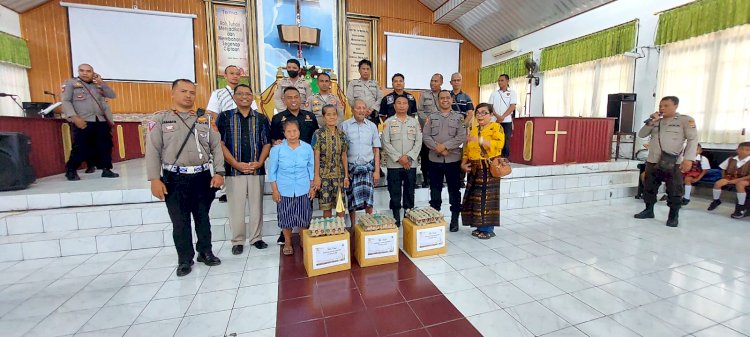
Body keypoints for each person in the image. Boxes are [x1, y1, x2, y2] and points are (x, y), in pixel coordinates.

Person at [146, 79, 225, 276]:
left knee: (202, 217)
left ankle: (205, 252)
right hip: (174, 177)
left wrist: (219, 172)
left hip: (202, 176)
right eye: (183, 91)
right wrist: (154, 178)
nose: (188, 95)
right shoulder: (160, 119)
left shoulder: (205, 120)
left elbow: (216, 146)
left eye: (191, 92)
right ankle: (184, 259)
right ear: (173, 93)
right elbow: (153, 151)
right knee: (180, 221)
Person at [216, 84, 271, 255]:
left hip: (256, 169)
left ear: (252, 97)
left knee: (256, 206)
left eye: (248, 94)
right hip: (234, 171)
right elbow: (221, 144)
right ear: (234, 97)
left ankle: (256, 238)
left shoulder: (261, 118)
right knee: (236, 207)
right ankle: (238, 240)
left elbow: (267, 143)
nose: (244, 97)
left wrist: (260, 162)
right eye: (240, 94)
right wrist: (235, 163)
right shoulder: (224, 117)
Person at [634, 96, 698, 227]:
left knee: (674, 189)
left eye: (666, 106)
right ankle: (648, 210)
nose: (662, 108)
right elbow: (641, 134)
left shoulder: (685, 120)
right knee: (649, 186)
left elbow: (693, 140)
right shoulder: (656, 121)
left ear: (675, 106)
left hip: (673, 162)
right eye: (660, 106)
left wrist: (689, 159)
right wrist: (651, 121)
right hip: (653, 160)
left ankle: (673, 216)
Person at [270, 87, 319, 245]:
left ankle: (304, 241)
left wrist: (313, 183)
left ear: (301, 99)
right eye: (289, 97)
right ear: (283, 100)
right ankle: (287, 239)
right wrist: (275, 190)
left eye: (296, 97)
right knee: (286, 213)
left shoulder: (310, 116)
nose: (293, 100)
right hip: (285, 181)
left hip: (303, 178)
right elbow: (272, 169)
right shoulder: (278, 118)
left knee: (304, 212)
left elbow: (316, 139)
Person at [61, 63, 119, 181]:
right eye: (82, 70)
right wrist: (74, 117)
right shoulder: (71, 84)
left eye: (88, 71)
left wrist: (101, 83)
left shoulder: (97, 85)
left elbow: (112, 95)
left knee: (105, 145)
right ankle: (71, 170)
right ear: (78, 72)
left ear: (93, 73)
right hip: (83, 120)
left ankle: (106, 169)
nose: (85, 73)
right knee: (81, 147)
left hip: (100, 119)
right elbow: (66, 101)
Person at [267, 120, 315, 256]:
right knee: (285, 217)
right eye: (289, 131)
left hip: (303, 187)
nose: (292, 134)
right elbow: (272, 172)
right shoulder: (277, 149)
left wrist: (312, 188)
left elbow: (311, 169)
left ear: (299, 131)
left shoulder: (307, 148)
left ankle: (302, 239)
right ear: (284, 133)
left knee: (303, 216)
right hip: (284, 188)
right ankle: (287, 242)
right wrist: (275, 190)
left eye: (295, 131)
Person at [423, 90, 467, 232]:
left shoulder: (459, 117)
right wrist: (438, 148)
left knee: (454, 191)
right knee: (435, 190)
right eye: (442, 98)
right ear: (438, 100)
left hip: (453, 160)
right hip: (434, 160)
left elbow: (462, 136)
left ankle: (454, 220)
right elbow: (425, 136)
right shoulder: (431, 117)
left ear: (452, 100)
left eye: (448, 98)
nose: (445, 100)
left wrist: (445, 146)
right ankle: (435, 218)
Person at [461, 103, 504, 239]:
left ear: (491, 115)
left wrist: (480, 139)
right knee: (475, 197)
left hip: (488, 167)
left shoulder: (496, 127)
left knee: (487, 198)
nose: (480, 115)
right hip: (474, 167)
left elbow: (499, 144)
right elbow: (467, 148)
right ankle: (479, 226)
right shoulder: (473, 129)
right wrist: (463, 162)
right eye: (478, 113)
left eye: (484, 113)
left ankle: (487, 229)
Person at [207, 65, 247, 203]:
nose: (235, 76)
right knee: (224, 159)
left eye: (237, 74)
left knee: (242, 158)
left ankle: (243, 188)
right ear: (225, 76)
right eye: (231, 73)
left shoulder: (245, 92)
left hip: (243, 130)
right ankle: (225, 191)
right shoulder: (218, 93)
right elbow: (213, 113)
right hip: (225, 131)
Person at [381, 95, 422, 226]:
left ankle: (408, 217)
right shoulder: (388, 122)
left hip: (411, 163)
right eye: (399, 103)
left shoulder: (414, 122)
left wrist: (408, 157)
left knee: (410, 191)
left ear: (408, 106)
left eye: (404, 103)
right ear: (394, 106)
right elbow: (385, 142)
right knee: (395, 192)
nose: (402, 105)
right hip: (394, 164)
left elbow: (418, 142)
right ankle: (395, 217)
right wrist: (399, 158)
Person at [341, 99, 382, 226]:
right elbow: (343, 151)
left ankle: (369, 223)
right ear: (352, 110)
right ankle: (353, 225)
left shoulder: (372, 126)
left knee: (368, 200)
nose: (361, 110)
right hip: (352, 169)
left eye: (364, 108)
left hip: (367, 168)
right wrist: (346, 174)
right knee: (352, 200)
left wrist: (376, 171)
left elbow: (376, 150)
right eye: (358, 108)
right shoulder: (344, 126)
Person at [312, 105, 350, 218]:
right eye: (328, 114)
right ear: (324, 117)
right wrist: (317, 176)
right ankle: (328, 231)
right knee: (326, 207)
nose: (332, 117)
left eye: (334, 114)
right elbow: (316, 156)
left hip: (339, 176)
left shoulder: (342, 135)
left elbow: (344, 156)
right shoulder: (318, 134)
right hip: (324, 176)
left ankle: (341, 231)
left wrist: (346, 176)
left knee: (340, 206)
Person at [707, 142, 750, 218]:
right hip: (731, 177)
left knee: (740, 184)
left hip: (746, 178)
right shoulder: (731, 159)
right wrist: (724, 178)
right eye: (741, 149)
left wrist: (737, 180)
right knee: (718, 183)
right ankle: (716, 200)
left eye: (747, 150)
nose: (744, 151)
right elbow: (723, 169)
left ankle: (741, 205)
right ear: (737, 150)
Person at [417, 74, 443, 188]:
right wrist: (426, 120)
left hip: (442, 131)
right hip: (427, 130)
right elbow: (420, 110)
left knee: (440, 155)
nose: (432, 83)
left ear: (441, 82)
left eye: (436, 81)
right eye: (431, 80)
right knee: (426, 155)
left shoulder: (446, 95)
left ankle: (438, 180)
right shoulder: (424, 95)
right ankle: (426, 179)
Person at [487, 74, 517, 158]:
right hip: (495, 120)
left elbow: (512, 106)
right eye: (499, 81)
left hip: (506, 121)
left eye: (502, 80)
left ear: (507, 81)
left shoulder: (512, 93)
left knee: (505, 139)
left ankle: (505, 157)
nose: (500, 82)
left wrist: (503, 117)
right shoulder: (494, 94)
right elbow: (490, 107)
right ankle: (495, 156)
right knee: (494, 138)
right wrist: (497, 116)